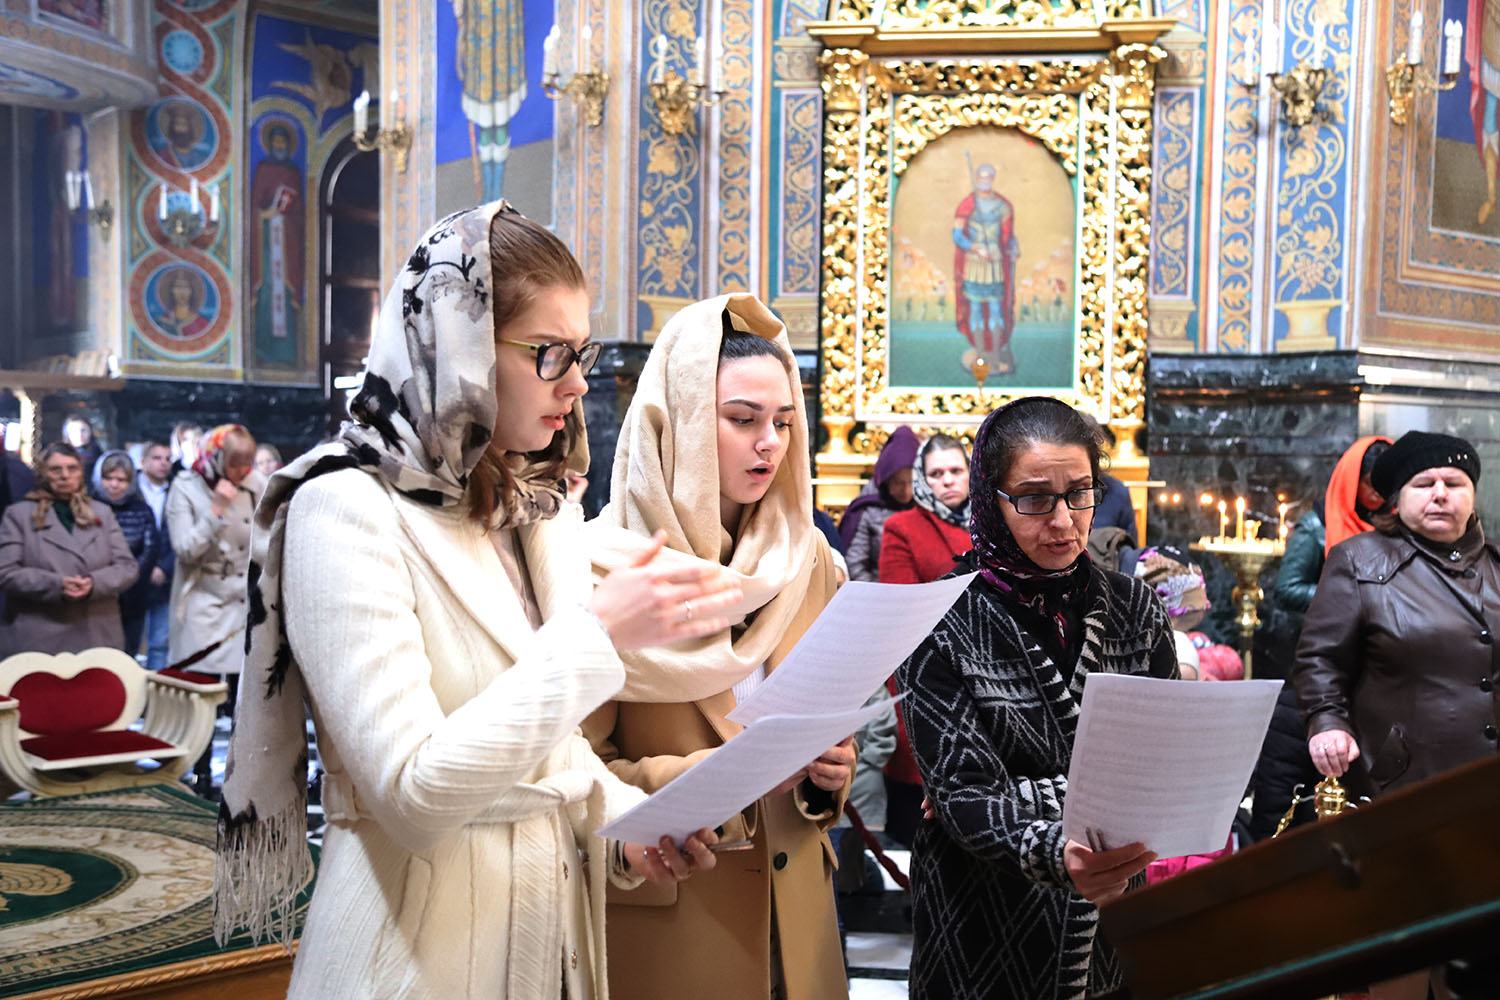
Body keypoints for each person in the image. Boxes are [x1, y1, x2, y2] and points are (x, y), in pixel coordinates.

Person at [214, 202, 728, 999]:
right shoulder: (344, 508)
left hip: (552, 949)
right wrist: (596, 637)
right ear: (459, 347)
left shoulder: (536, 507)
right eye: (550, 354)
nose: (579, 383)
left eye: (582, 353)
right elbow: (411, 795)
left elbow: (554, 754)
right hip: (415, 954)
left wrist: (627, 828)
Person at [583, 295, 854, 1000]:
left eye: (784, 422)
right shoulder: (601, 571)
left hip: (799, 930)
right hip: (676, 932)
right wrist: (720, 777)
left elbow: (820, 727)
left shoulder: (806, 559)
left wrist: (828, 773)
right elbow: (572, 773)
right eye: (742, 420)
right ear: (680, 423)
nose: (770, 443)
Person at [896, 396, 1177, 1000]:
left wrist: (1021, 793)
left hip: (1110, 918)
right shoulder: (939, 616)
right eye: (1034, 499)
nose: (1063, 520)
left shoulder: (1134, 608)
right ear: (990, 500)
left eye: (1080, 493)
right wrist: (1058, 842)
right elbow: (962, 792)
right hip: (981, 922)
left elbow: (1162, 764)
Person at [1294, 430, 1499, 1000]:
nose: (1441, 494)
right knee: (1402, 950)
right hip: (1401, 787)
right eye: (1424, 483)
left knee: (1479, 953)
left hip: (1488, 792)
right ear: (1396, 498)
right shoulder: (1359, 561)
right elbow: (1319, 659)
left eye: (1454, 483)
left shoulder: (1496, 565)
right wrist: (1327, 722)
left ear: (1472, 495)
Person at [0, 442, 138, 658]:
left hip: (96, 634)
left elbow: (127, 567)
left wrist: (94, 583)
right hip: (38, 638)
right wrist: (56, 585)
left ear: (81, 472)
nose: (65, 476)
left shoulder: (101, 513)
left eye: (72, 468)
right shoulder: (19, 515)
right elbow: (6, 571)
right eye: (56, 469)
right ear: (43, 473)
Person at [1273, 436, 1392, 614]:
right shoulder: (1316, 527)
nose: (1379, 493)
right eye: (1370, 483)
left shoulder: (1396, 522)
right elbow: (1287, 590)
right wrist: (1350, 597)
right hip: (1333, 625)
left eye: (1386, 484)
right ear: (1352, 480)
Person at [91, 451, 167, 658]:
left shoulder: (142, 510)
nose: (114, 485)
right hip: (94, 594)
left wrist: (126, 580)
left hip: (133, 595)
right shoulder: (86, 508)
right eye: (109, 478)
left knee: (126, 656)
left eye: (121, 479)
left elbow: (150, 550)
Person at [879, 433, 973, 585]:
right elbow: (899, 596)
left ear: (970, 471)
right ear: (922, 479)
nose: (948, 481)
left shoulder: (993, 517)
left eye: (956, 471)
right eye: (936, 474)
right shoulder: (901, 527)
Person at [840, 425, 918, 581]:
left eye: (912, 482)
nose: (906, 491)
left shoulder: (928, 506)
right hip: (878, 587)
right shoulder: (867, 509)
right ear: (886, 479)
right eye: (899, 482)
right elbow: (855, 564)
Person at [135, 439, 175, 669]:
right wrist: (142, 568)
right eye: (157, 458)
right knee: (128, 643)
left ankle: (156, 689)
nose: (163, 463)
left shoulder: (176, 491)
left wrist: (164, 568)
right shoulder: (131, 491)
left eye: (168, 459)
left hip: (164, 577)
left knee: (160, 643)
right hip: (133, 576)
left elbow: (180, 535)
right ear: (143, 462)